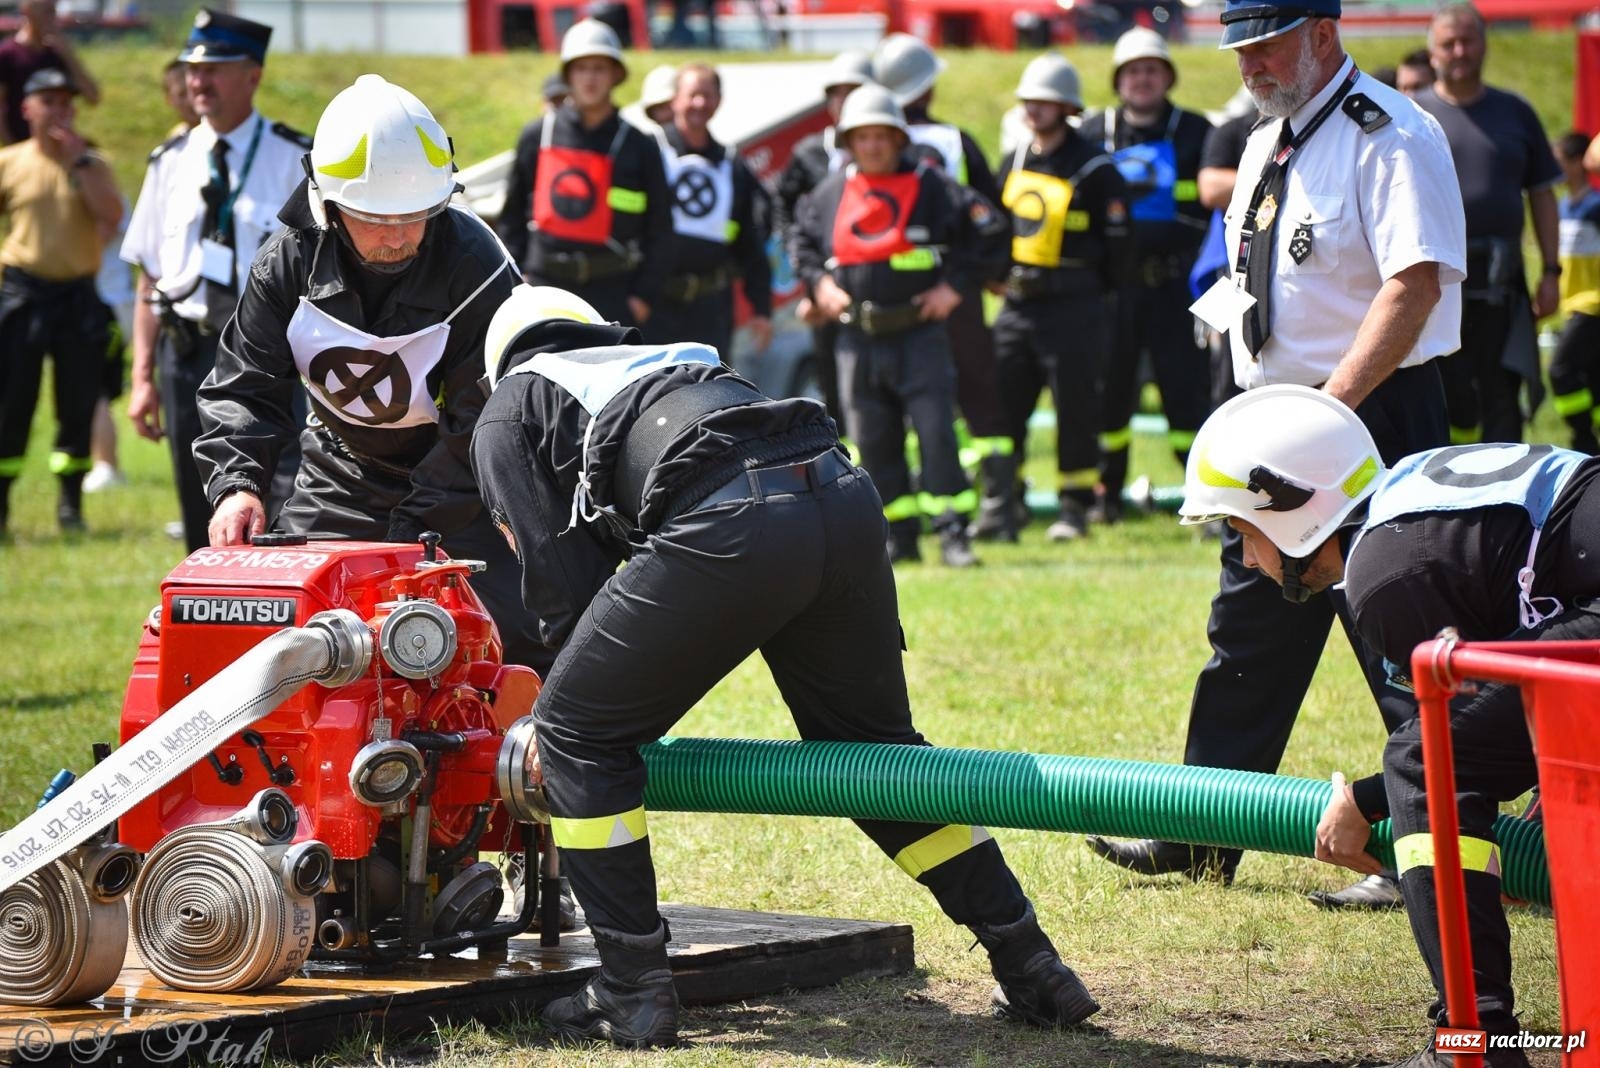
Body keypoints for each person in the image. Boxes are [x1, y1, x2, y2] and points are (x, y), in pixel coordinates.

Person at [470, 283, 1102, 1049]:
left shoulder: (510, 405)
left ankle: (631, 991)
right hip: (838, 491)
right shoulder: (659, 357)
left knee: (574, 731)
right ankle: (1031, 963)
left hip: (731, 517)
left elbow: (563, 597)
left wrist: (571, 718)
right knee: (874, 755)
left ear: (498, 363)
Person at [1086, 0, 1466, 911]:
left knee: (1398, 637)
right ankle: (1203, 834)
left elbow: (1411, 286)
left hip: (1371, 416)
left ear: (1323, 35)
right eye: (1239, 49)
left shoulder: (1391, 133)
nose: (1249, 64)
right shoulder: (1267, 137)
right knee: (1249, 630)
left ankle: (1412, 841)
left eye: (1266, 44)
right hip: (1279, 419)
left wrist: (1331, 415)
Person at [1182, 384, 1577, 1067]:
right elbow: (1509, 726)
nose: (1246, 558)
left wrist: (1369, 802)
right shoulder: (1412, 503)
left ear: (1293, 511)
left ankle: (1472, 1044)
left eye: (1245, 532)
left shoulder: (1386, 579)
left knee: (1421, 763)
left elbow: (1463, 755)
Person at [193, 75, 552, 678]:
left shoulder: (477, 265)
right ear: (328, 207)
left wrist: (411, 534)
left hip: (465, 492)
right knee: (276, 636)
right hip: (340, 477)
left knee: (517, 636)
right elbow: (243, 383)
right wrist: (238, 483)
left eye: (416, 217)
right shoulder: (286, 259)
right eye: (374, 218)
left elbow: (487, 421)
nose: (398, 237)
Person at [790, 85, 1007, 568]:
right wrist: (818, 285)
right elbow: (801, 242)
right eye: (861, 137)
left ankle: (953, 533)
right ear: (848, 141)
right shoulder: (828, 195)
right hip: (856, 339)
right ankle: (896, 535)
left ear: (899, 138)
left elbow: (990, 228)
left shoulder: (934, 187)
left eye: (881, 136)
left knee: (936, 434)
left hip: (920, 335)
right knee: (872, 437)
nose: (872, 147)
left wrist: (956, 286)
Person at [120, 10, 311, 552]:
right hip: (188, 354)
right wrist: (142, 377)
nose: (197, 81)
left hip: (269, 361)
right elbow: (149, 276)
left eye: (215, 68)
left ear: (252, 75)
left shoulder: (291, 156)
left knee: (277, 495)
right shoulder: (169, 161)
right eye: (192, 69)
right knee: (196, 493)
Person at [986, 55, 1132, 544]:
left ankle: (1074, 507)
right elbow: (996, 230)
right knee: (1004, 407)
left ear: (1067, 106)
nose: (1034, 108)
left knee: (1075, 409)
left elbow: (1119, 249)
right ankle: (1006, 501)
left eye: (1044, 100)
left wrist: (1093, 297)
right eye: (1028, 99)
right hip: (1017, 307)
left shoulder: (1095, 168)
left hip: (1074, 306)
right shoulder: (1013, 159)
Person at [870, 33, 1012, 529]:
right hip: (956, 291)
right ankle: (997, 503)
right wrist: (985, 276)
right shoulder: (955, 142)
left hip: (888, 295)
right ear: (927, 88)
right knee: (977, 393)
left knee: (902, 402)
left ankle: (909, 508)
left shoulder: (862, 146)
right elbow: (993, 217)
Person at [1078, 27, 1213, 529]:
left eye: (1152, 70)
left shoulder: (1196, 131)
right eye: (1133, 71)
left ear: (1168, 77)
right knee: (1109, 392)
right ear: (1118, 79)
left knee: (1186, 392)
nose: (1142, 79)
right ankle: (1105, 493)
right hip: (1114, 292)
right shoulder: (1093, 132)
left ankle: (1204, 497)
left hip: (1176, 288)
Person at [1416, 3, 1561, 446]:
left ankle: (1509, 504)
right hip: (1431, 281)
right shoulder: (1410, 117)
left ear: (1484, 45)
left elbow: (1541, 193)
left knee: (1503, 391)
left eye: (1468, 40)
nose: (1459, 51)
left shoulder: (1515, 112)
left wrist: (1552, 273)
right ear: (1432, 51)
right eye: (1448, 43)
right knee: (1442, 392)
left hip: (1501, 281)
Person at [0, 68, 119, 534]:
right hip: (23, 293)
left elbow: (111, 216)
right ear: (27, 109)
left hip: (77, 295)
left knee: (77, 400)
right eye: (48, 101)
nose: (59, 111)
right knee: (12, 401)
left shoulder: (93, 162)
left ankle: (71, 505)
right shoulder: (10, 162)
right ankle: (3, 505)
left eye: (66, 103)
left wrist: (79, 164)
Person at [496, 18, 671, 329]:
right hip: (544, 289)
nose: (590, 78)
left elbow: (660, 227)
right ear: (568, 74)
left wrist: (643, 297)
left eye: (599, 68)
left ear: (616, 74)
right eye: (581, 68)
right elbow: (510, 219)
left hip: (614, 292)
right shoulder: (538, 135)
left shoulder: (639, 145)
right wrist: (517, 282)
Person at [771, 49, 874, 430]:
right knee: (835, 380)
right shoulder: (810, 152)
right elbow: (781, 204)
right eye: (838, 93)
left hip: (880, 284)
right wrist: (799, 256)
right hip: (827, 286)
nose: (846, 102)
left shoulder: (894, 151)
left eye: (856, 92)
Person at [642, 63, 771, 361]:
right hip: (654, 306)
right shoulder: (648, 151)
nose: (700, 103)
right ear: (675, 99)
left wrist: (761, 308)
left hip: (710, 309)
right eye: (692, 95)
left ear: (718, 101)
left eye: (708, 95)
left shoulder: (731, 164)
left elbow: (750, 243)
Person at [1549, 130, 1600, 453]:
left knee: (1560, 370)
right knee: (1594, 379)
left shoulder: (1596, 206)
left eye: (1559, 163)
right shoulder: (1563, 206)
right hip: (1573, 305)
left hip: (1593, 304)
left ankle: (1582, 438)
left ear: (1578, 164)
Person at [0, 0, 99, 145]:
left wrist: (68, 55)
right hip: (21, 143)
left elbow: (93, 97)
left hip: (58, 147)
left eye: (52, 11)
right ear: (27, 11)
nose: (50, 18)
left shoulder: (58, 54)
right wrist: (12, 148)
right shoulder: (8, 54)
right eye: (45, 11)